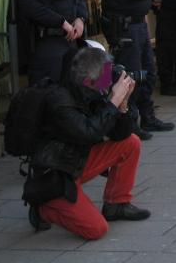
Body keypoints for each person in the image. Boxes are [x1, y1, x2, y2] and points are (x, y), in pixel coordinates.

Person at [28, 45, 149, 239]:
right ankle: (43, 209)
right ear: (88, 77)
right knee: (96, 229)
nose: (108, 80)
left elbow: (120, 135)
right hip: (57, 174)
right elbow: (88, 133)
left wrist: (123, 103)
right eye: (105, 74)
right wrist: (112, 103)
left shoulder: (92, 91)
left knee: (131, 142)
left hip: (77, 160)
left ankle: (116, 204)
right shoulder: (59, 100)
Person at [98, 0, 173, 138]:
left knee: (147, 72)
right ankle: (130, 123)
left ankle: (148, 117)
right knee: (130, 75)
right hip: (124, 27)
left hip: (139, 24)